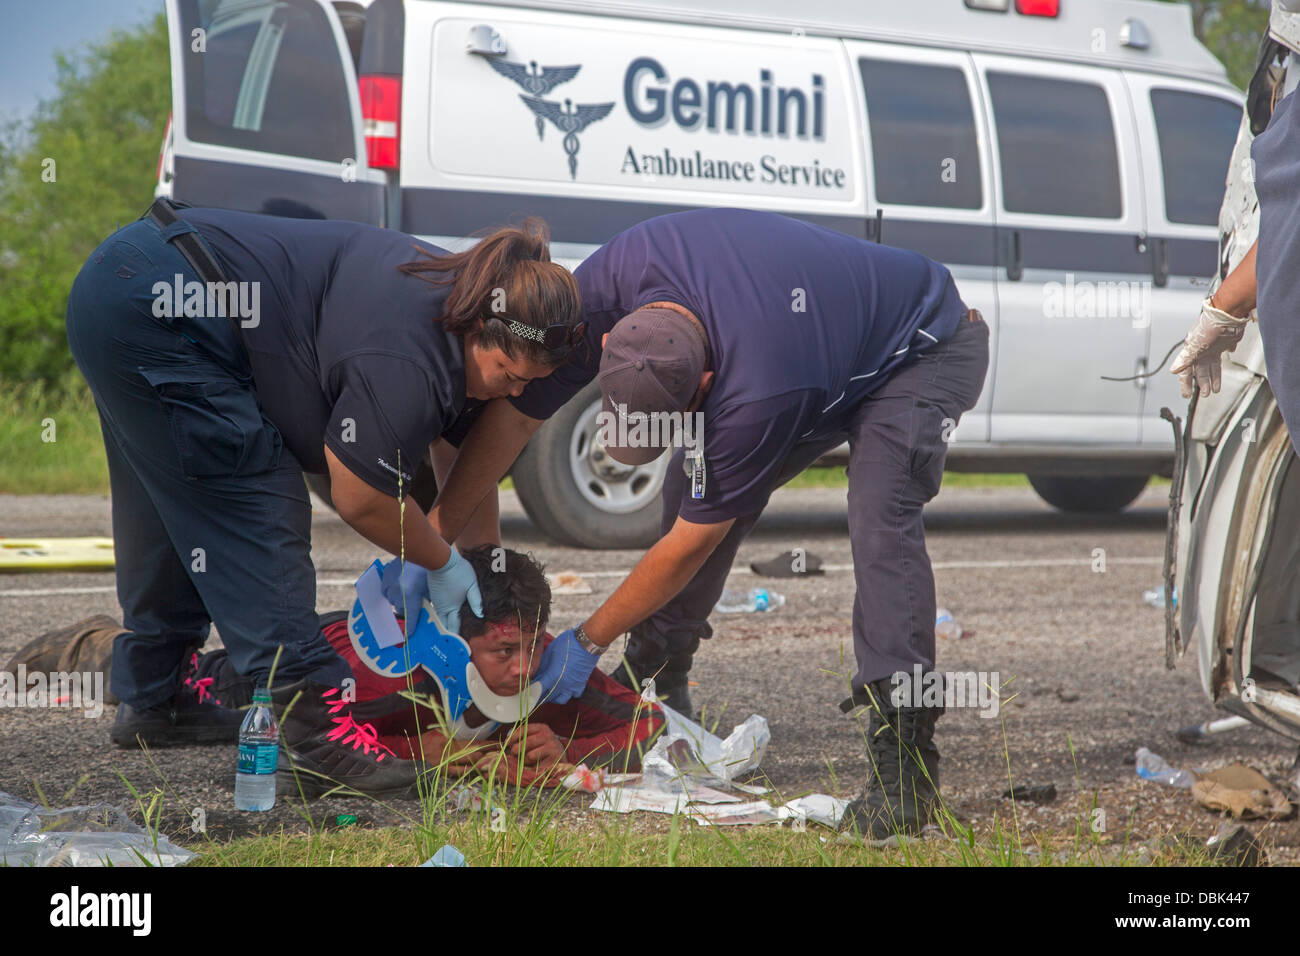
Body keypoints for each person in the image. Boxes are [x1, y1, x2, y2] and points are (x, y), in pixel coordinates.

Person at [423, 208, 990, 843]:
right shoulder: (600, 293)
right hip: (816, 337)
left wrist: (585, 642)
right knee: (690, 484)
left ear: (708, 384)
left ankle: (905, 765)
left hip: (924, 346)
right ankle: (657, 685)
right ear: (606, 348)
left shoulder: (756, 395)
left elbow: (692, 543)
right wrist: (432, 544)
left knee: (878, 514)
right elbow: (515, 421)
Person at [65, 200, 582, 796]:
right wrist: (440, 562)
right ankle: (313, 742)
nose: (512, 392)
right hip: (163, 305)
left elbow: (458, 460)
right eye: (507, 373)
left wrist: (484, 573)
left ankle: (156, 694)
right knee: (253, 485)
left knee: (174, 495)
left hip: (129, 284)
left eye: (527, 385)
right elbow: (360, 494)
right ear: (480, 331)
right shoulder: (409, 354)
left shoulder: (460, 298)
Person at [162, 546, 663, 791]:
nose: (524, 668)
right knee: (205, 679)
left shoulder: (550, 668)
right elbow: (296, 748)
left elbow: (653, 727)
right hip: (308, 654)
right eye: (504, 652)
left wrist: (569, 748)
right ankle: (101, 646)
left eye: (533, 643)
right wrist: (416, 750)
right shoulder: (387, 682)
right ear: (453, 644)